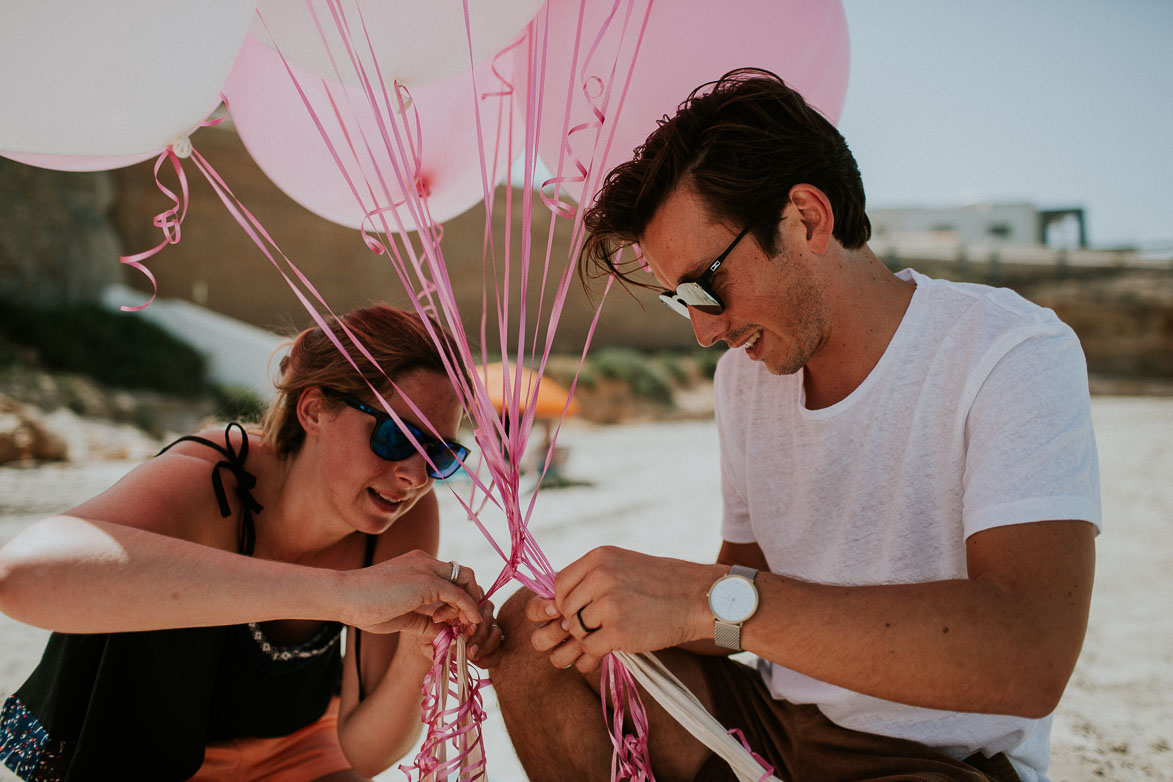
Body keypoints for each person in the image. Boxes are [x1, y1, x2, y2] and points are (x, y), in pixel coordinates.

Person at [489, 69, 1100, 782]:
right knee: (529, 635)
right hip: (773, 730)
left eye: (703, 286)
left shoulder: (1007, 351)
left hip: (933, 762)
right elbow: (747, 590)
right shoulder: (746, 379)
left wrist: (699, 598)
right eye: (676, 301)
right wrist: (614, 605)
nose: (702, 331)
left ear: (806, 218)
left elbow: (1028, 657)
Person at [0, 303, 503, 781]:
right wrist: (344, 594)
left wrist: (418, 654)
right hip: (150, 751)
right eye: (397, 438)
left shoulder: (402, 519)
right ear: (313, 411)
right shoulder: (215, 480)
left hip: (298, 752)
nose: (417, 475)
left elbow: (361, 751)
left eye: (440, 454)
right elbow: (20, 575)